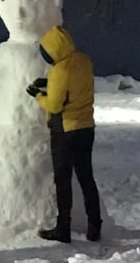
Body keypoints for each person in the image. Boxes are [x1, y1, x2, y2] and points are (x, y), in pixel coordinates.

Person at [27, 25, 102, 243]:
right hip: (86, 127)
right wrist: (50, 84)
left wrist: (37, 96)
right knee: (86, 178)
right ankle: (95, 226)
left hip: (65, 131)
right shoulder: (84, 60)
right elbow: (73, 88)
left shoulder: (59, 70)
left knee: (64, 180)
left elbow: (55, 105)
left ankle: (63, 228)